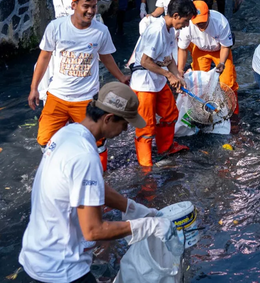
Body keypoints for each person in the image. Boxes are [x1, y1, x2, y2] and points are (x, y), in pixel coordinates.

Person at [19, 82, 178, 283]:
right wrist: (147, 225)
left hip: (36, 256)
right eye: (124, 123)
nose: (126, 129)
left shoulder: (67, 134)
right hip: (61, 269)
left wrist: (131, 207)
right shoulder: (85, 155)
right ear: (109, 118)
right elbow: (93, 230)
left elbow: (90, 187)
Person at [28, 0, 129, 170]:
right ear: (73, 5)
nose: (90, 11)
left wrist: (121, 77)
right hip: (57, 96)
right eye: (86, 6)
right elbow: (44, 57)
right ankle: (56, 170)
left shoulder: (101, 31)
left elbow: (106, 57)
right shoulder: (56, 27)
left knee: (96, 141)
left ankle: (99, 175)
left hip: (86, 99)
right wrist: (34, 88)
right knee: (44, 139)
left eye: (94, 6)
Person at [130, 0, 197, 167]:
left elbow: (168, 59)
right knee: (146, 125)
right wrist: (169, 76)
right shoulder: (156, 31)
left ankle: (166, 148)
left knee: (170, 113)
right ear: (175, 15)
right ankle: (146, 164)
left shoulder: (170, 30)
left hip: (158, 80)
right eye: (186, 20)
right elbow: (145, 61)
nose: (187, 25)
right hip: (144, 83)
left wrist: (178, 77)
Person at [177, 0, 239, 114]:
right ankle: (203, 111)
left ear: (209, 14)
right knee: (199, 81)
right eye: (197, 22)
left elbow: (226, 46)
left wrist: (222, 63)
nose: (200, 25)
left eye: (203, 21)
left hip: (219, 49)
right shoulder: (187, 25)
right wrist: (180, 70)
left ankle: (232, 112)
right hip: (200, 49)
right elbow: (182, 48)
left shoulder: (220, 22)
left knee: (228, 82)